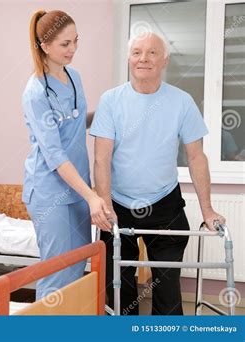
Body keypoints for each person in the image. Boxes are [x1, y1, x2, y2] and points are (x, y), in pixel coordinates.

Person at [90, 32, 226, 315]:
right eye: (137, 52)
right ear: (128, 59)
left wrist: (208, 210)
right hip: (118, 204)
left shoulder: (182, 102)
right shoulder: (111, 101)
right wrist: (104, 204)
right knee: (119, 290)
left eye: (152, 52)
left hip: (165, 204)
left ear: (164, 60)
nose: (144, 58)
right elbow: (101, 159)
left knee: (166, 290)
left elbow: (196, 157)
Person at [22, 9, 111, 300]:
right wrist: (92, 196)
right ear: (44, 46)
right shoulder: (35, 92)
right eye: (64, 44)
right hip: (50, 190)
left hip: (77, 188)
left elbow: (73, 120)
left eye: (76, 41)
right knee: (56, 272)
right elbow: (55, 154)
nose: (72, 49)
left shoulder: (74, 76)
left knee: (76, 267)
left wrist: (109, 114)